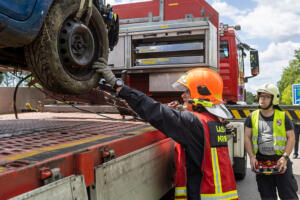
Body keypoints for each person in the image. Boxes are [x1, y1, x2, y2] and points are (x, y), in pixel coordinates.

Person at [92, 58, 238, 200]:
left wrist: (118, 85)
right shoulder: (213, 121)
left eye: (187, 91)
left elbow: (153, 109)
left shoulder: (194, 122)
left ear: (201, 92)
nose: (182, 95)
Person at [244, 83, 298, 200]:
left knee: (288, 195)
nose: (262, 99)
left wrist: (285, 157)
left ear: (274, 99)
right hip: (261, 162)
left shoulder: (283, 117)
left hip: (281, 162)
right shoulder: (251, 117)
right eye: (260, 96)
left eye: (266, 96)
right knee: (267, 197)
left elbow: (291, 137)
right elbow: (247, 137)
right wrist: (252, 157)